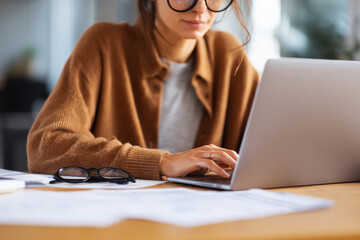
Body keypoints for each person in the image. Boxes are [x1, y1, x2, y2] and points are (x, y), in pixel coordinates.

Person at [27, 0, 259, 180]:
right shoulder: (103, 44)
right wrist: (160, 163)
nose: (201, 8)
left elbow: (272, 148)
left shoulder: (229, 55)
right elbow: (45, 147)